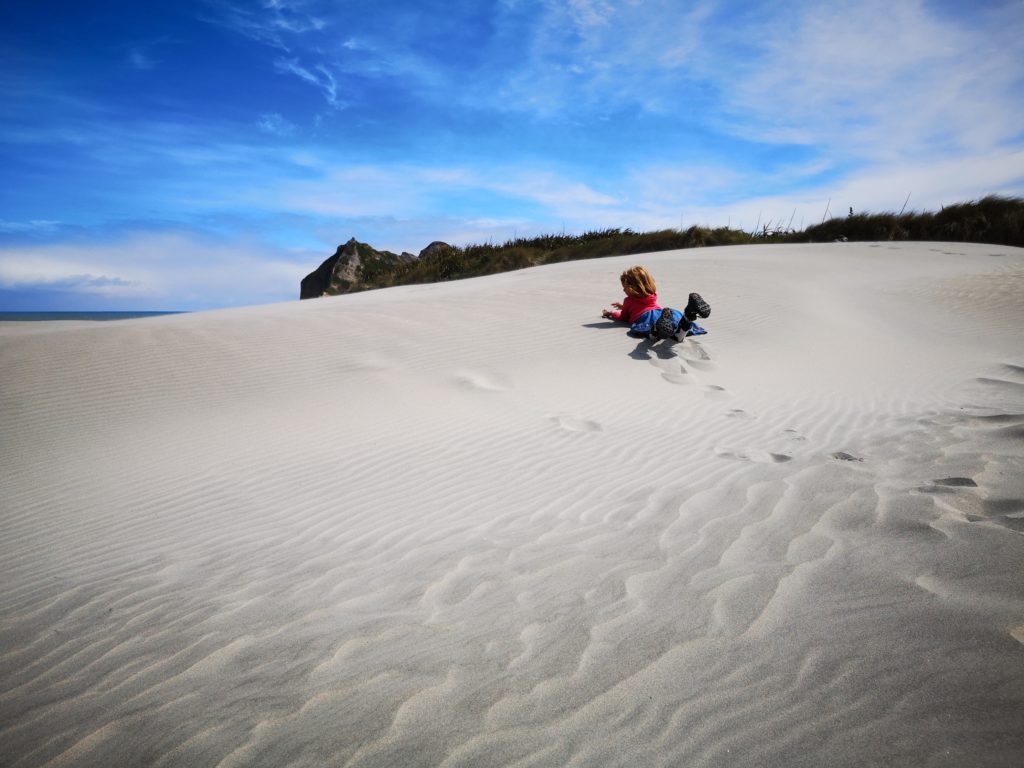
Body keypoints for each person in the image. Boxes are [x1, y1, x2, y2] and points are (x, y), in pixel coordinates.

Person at [601, 265, 710, 340]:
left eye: (624, 288)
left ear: (631, 288)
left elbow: (623, 317)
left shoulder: (628, 300)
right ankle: (688, 315)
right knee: (677, 328)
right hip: (664, 313)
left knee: (655, 335)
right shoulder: (653, 295)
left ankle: (657, 330)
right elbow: (642, 304)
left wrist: (611, 314)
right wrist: (624, 306)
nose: (623, 290)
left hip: (647, 318)